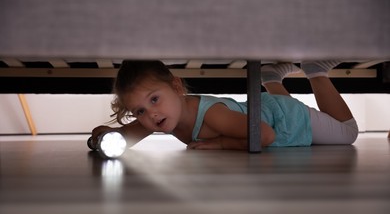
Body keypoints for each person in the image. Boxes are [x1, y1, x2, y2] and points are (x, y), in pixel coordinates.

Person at [91, 60, 358, 150]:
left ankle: (316, 71)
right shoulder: (163, 115)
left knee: (348, 134)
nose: (151, 114)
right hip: (265, 110)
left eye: (154, 99)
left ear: (176, 87)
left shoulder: (212, 115)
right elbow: (126, 137)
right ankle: (271, 77)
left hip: (287, 120)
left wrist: (220, 144)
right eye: (140, 111)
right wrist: (105, 136)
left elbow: (265, 135)